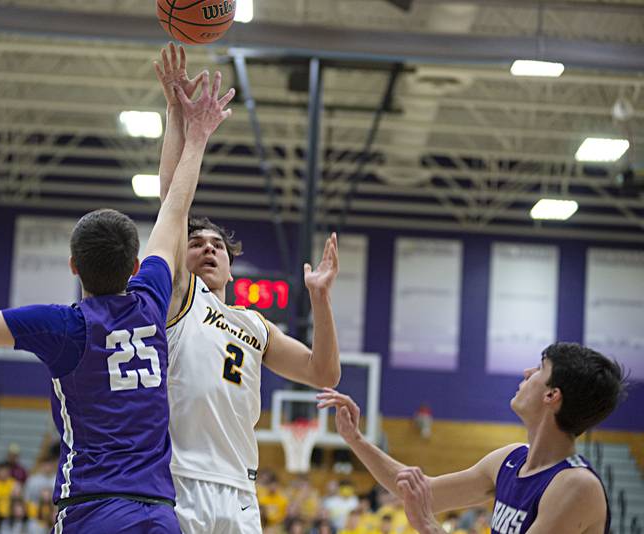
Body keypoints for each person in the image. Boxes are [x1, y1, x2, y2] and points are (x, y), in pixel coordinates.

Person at [0, 66, 235, 534]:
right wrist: (194, 132)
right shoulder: (150, 297)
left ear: (73, 266)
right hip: (157, 512)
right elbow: (175, 205)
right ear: (134, 266)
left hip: (92, 510)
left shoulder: (62, 328)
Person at [154, 42, 341, 534]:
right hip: (180, 480)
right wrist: (177, 114)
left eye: (218, 245)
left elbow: (325, 372)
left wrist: (320, 300)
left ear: (233, 269)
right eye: (196, 243)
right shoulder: (179, 297)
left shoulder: (254, 325)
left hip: (240, 491)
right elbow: (173, 196)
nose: (208, 249)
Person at [317, 342, 626, 534]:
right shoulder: (512, 459)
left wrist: (429, 527)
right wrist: (355, 439)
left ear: (551, 395)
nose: (527, 372)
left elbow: (426, 510)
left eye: (540, 368)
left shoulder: (575, 486)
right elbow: (424, 493)